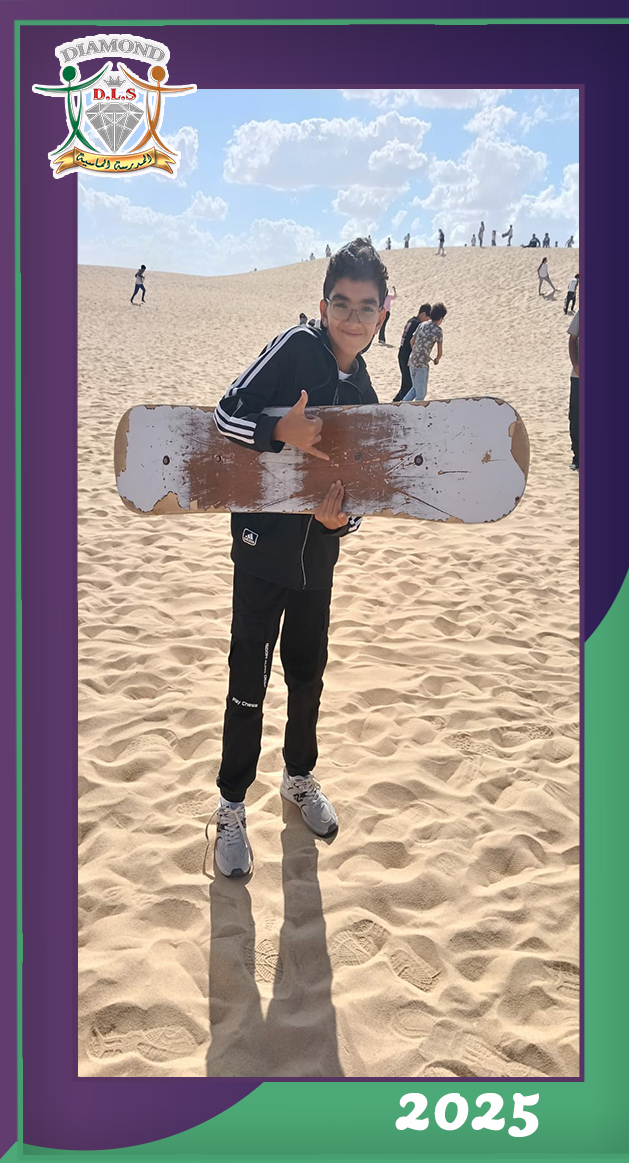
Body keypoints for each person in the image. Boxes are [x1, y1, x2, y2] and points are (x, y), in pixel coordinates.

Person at [210, 238, 387, 876]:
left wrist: (342, 523)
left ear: (382, 315)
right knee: (248, 685)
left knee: (307, 677)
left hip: (318, 565)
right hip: (261, 555)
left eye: (365, 307)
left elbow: (359, 490)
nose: (351, 318)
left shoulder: (366, 388)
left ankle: (298, 778)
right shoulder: (294, 348)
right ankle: (231, 806)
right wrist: (278, 430)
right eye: (341, 303)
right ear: (323, 303)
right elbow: (225, 415)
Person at [403, 301, 446, 402]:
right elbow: (439, 353)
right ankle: (413, 410)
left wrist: (417, 351)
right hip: (421, 365)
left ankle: (403, 404)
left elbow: (412, 341)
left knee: (415, 389)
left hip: (412, 360)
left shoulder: (422, 324)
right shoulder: (438, 331)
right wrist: (436, 360)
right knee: (421, 395)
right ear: (440, 318)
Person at [393, 303, 431, 402]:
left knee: (407, 384)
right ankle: (396, 404)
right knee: (408, 385)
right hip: (407, 356)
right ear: (423, 314)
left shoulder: (411, 321)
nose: (427, 321)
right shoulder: (417, 324)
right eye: (427, 318)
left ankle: (396, 402)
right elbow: (413, 342)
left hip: (402, 354)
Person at [567, 308, 580, 471]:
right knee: (576, 417)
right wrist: (576, 364)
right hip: (579, 376)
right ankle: (578, 457)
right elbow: (572, 340)